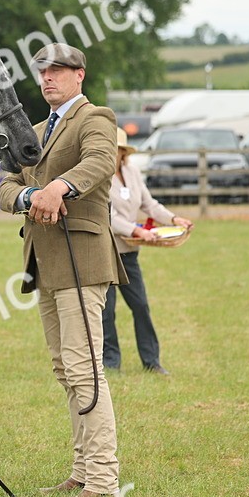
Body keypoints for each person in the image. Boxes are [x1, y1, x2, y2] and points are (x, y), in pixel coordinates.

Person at [0, 43, 128, 497]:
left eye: (59, 69)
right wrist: (27, 198)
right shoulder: (34, 131)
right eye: (43, 70)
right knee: (65, 369)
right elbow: (8, 182)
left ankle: (104, 480)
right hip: (44, 261)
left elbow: (97, 162)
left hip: (82, 258)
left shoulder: (97, 118)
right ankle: (82, 470)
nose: (49, 77)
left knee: (84, 367)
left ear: (80, 75)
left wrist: (57, 186)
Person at [103, 130, 194, 376]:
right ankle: (110, 363)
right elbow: (106, 215)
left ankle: (151, 361)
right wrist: (136, 230)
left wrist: (174, 218)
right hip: (105, 252)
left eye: (117, 149)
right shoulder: (98, 176)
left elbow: (149, 204)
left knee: (141, 305)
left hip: (129, 252)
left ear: (124, 153)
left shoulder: (132, 173)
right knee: (107, 310)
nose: (113, 153)